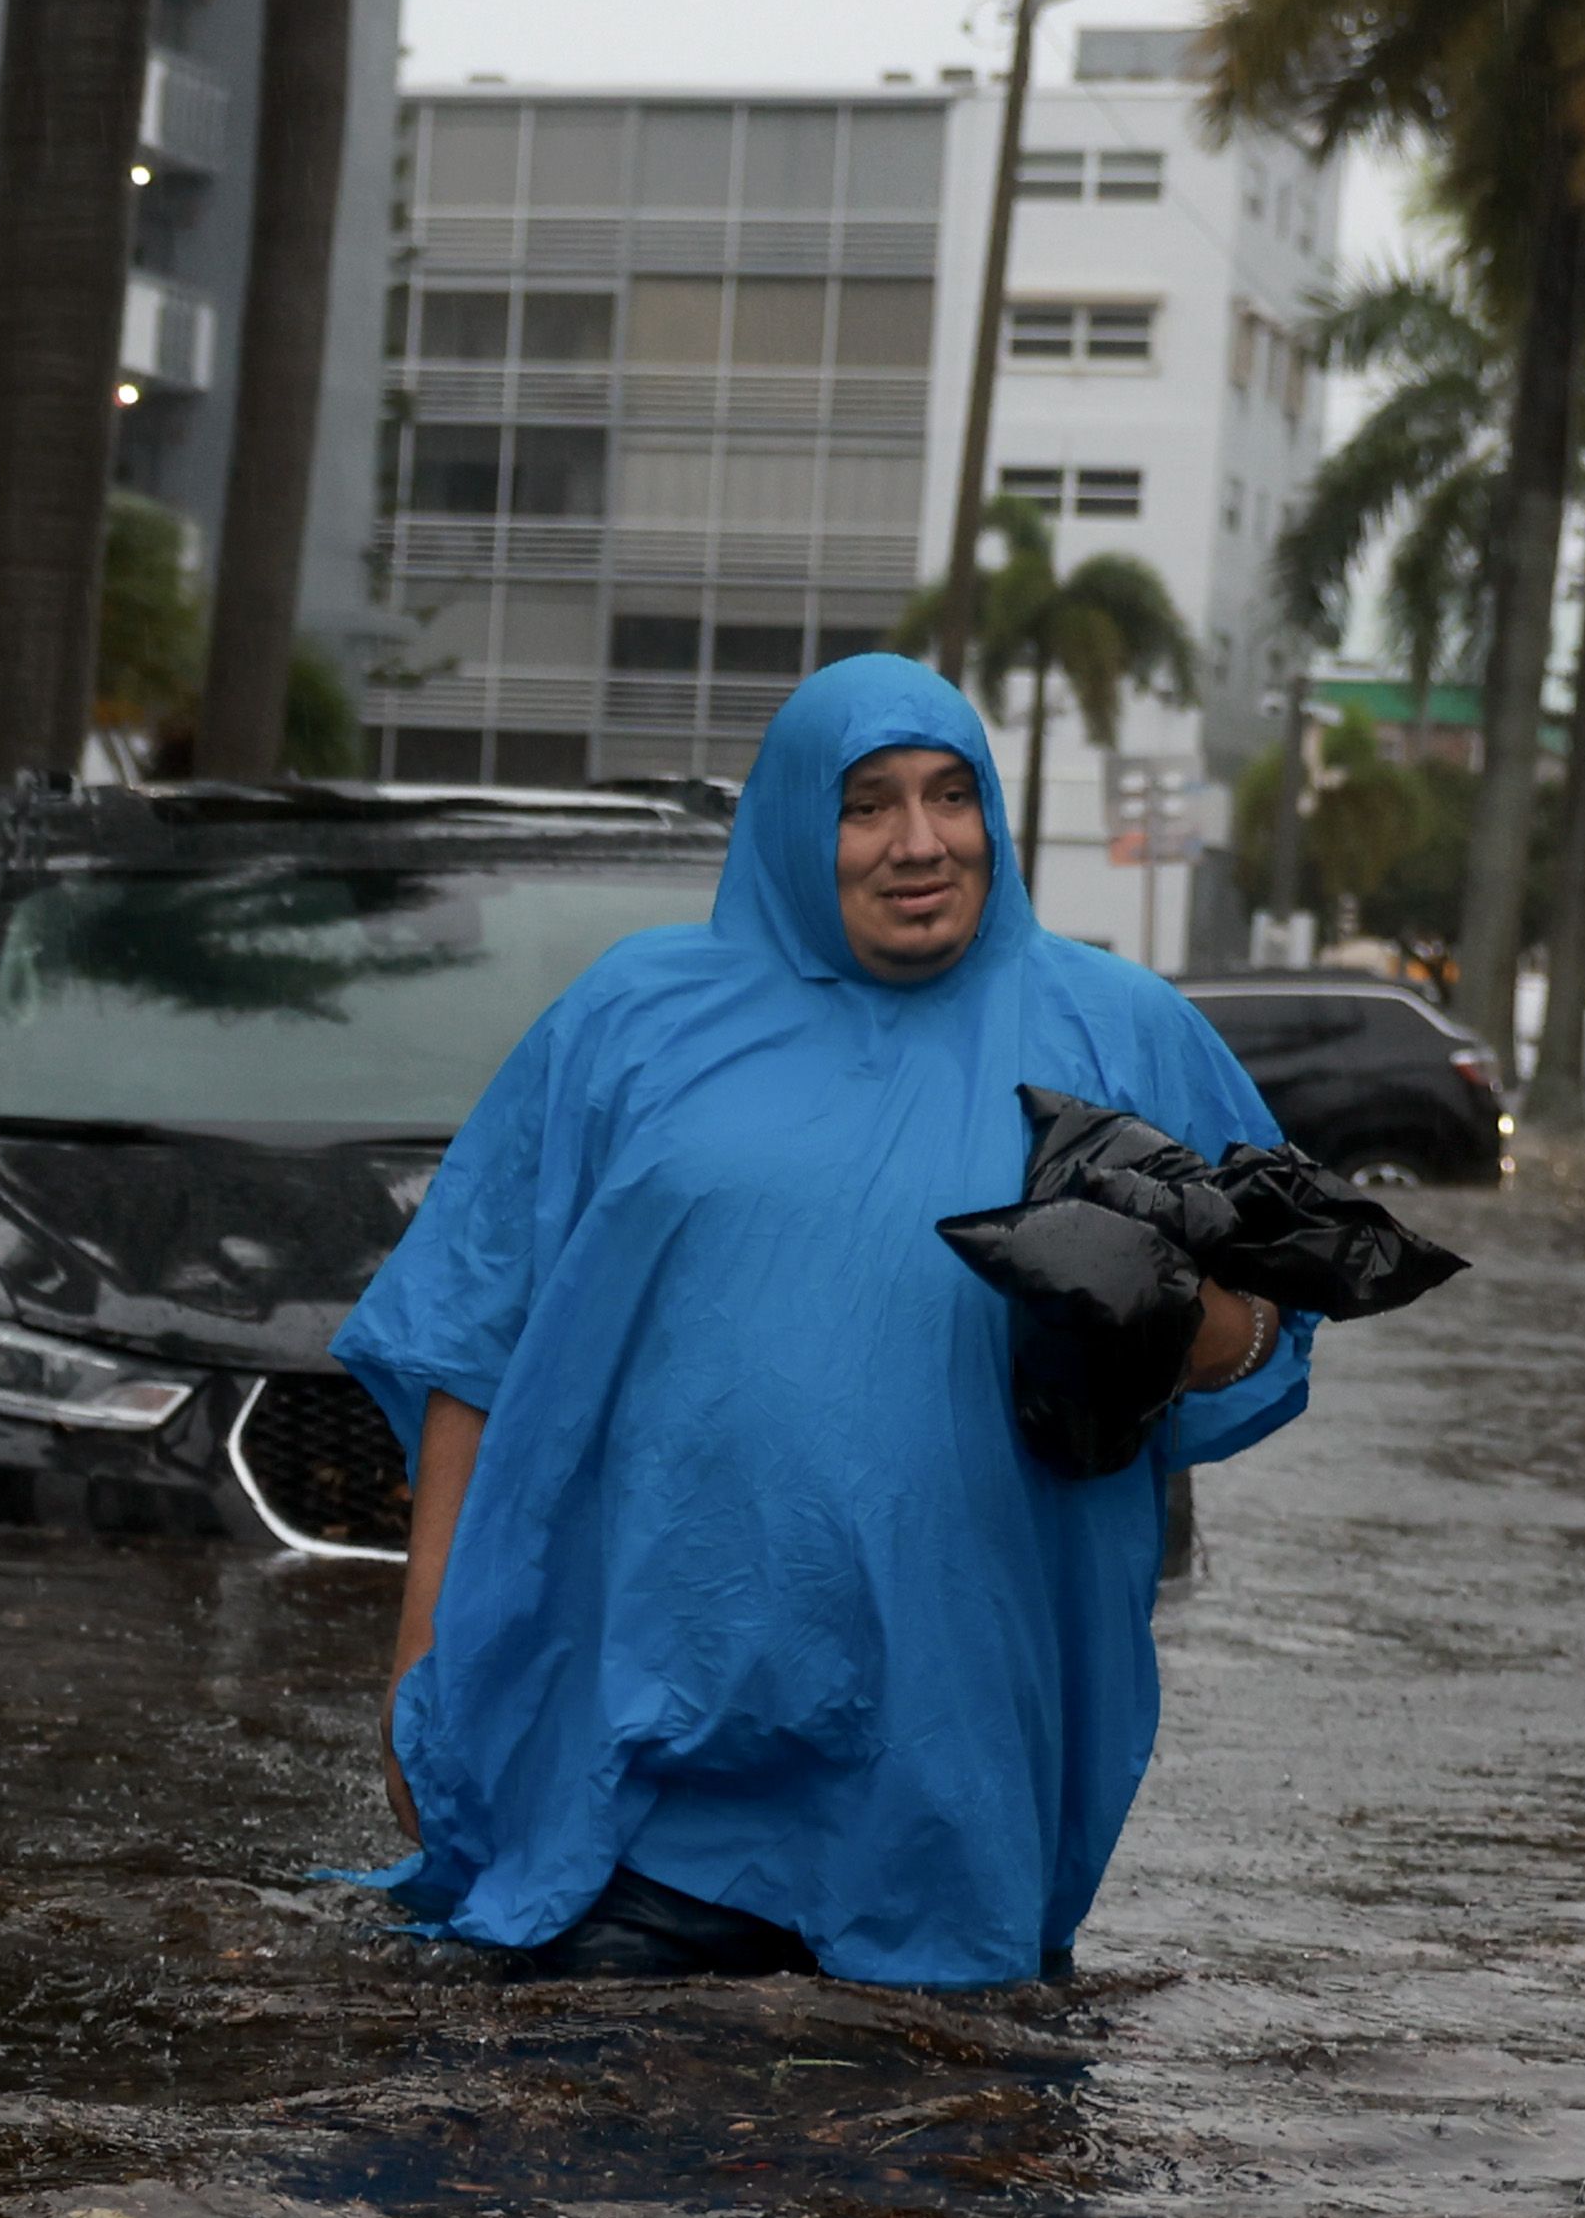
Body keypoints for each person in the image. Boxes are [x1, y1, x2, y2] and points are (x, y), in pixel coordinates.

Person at [337, 652, 1309, 1987]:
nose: (920, 844)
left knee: (941, 2162)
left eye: (953, 797)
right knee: (592, 2159)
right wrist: (425, 1651)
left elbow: (1276, 1325)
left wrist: (1180, 1319)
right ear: (797, 819)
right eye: (868, 805)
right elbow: (474, 1338)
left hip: (959, 1778)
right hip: (649, 1777)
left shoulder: (1117, 1032)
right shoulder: (634, 1020)